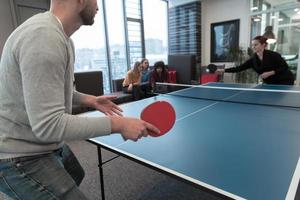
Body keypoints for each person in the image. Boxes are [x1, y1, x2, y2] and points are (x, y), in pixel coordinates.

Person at [0, 0, 159, 199]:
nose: (98, 7)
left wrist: (89, 100)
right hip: (18, 155)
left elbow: (46, 91)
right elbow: (48, 125)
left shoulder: (63, 39)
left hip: (43, 143)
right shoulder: (43, 37)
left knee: (76, 173)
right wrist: (118, 124)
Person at [216, 35, 295, 85]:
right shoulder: (253, 60)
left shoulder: (274, 55)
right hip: (271, 83)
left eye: (255, 45)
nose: (253, 47)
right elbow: (238, 68)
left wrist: (270, 73)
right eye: (252, 45)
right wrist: (223, 70)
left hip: (285, 81)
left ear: (263, 45)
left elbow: (284, 67)